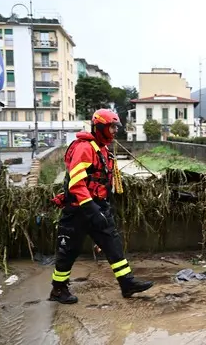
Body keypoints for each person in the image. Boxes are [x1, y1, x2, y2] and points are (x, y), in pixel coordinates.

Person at [49, 108, 154, 304]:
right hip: (78, 209)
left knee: (112, 244)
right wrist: (91, 208)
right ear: (100, 127)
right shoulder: (85, 148)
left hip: (98, 206)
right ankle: (58, 290)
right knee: (68, 251)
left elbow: (104, 183)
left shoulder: (103, 150)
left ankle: (127, 283)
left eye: (116, 127)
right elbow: (76, 183)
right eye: (112, 126)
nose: (115, 131)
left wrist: (104, 207)